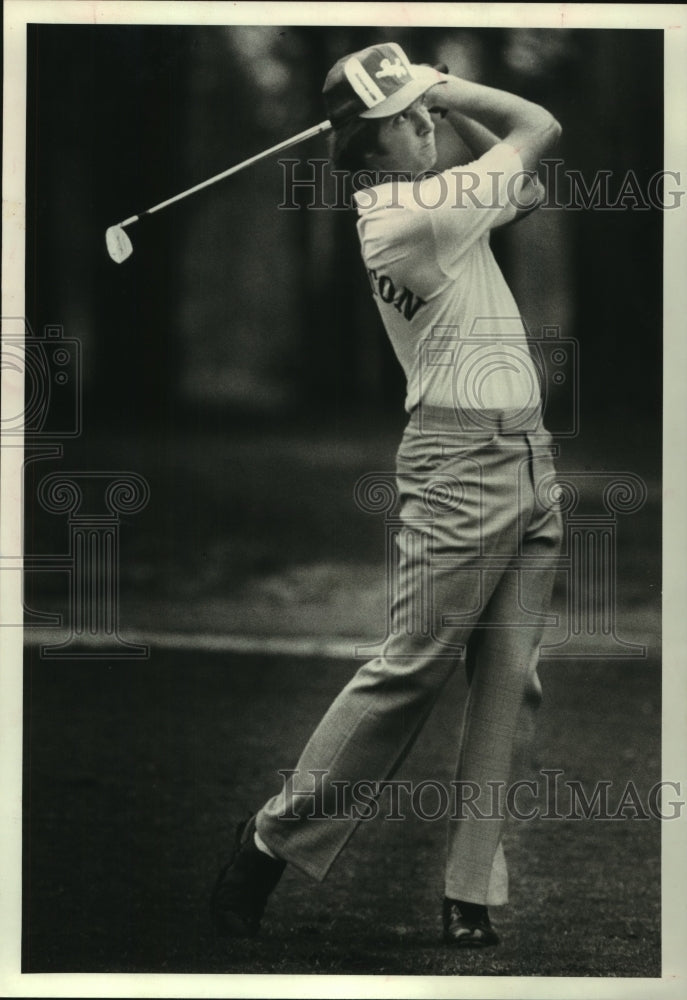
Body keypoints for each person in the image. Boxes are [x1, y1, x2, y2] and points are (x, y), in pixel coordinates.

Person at [211, 40, 563, 948]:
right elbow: (538, 126)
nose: (425, 123)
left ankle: (468, 891)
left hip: (526, 456)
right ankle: (268, 840)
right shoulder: (413, 216)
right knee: (410, 668)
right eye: (405, 120)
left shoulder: (436, 200)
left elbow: (525, 185)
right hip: (461, 466)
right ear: (370, 148)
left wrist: (425, 100)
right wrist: (440, 82)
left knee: (509, 681)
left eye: (422, 112)